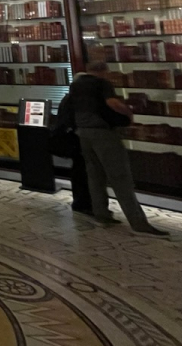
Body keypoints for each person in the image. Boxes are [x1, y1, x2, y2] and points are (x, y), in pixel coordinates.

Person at [69, 61, 166, 237]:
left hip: (83, 133)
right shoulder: (102, 83)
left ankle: (102, 215)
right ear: (103, 71)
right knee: (120, 177)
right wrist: (128, 113)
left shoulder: (76, 84)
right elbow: (112, 103)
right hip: (103, 133)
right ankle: (138, 223)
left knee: (94, 176)